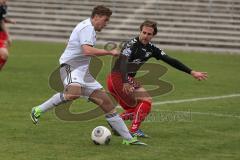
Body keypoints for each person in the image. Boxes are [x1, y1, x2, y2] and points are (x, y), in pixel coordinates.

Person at [30, 5, 146, 146]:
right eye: (105, 20)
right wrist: (110, 52)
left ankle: (129, 139)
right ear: (96, 17)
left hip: (83, 73)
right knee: (74, 93)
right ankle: (38, 109)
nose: (106, 24)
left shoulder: (87, 27)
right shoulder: (87, 28)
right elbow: (86, 51)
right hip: (70, 67)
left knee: (106, 103)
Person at [107, 20, 208, 138]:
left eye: (149, 34)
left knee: (141, 108)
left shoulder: (152, 49)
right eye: (144, 32)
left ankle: (117, 122)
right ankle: (133, 130)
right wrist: (125, 81)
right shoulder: (131, 44)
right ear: (140, 31)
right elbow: (123, 62)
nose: (145, 36)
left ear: (153, 35)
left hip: (121, 79)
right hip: (118, 77)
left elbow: (171, 60)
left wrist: (192, 72)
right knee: (146, 100)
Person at [0, 0, 15, 71]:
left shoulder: (3, 6)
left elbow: (2, 20)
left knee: (4, 55)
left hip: (1, 34)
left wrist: (10, 21)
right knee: (4, 54)